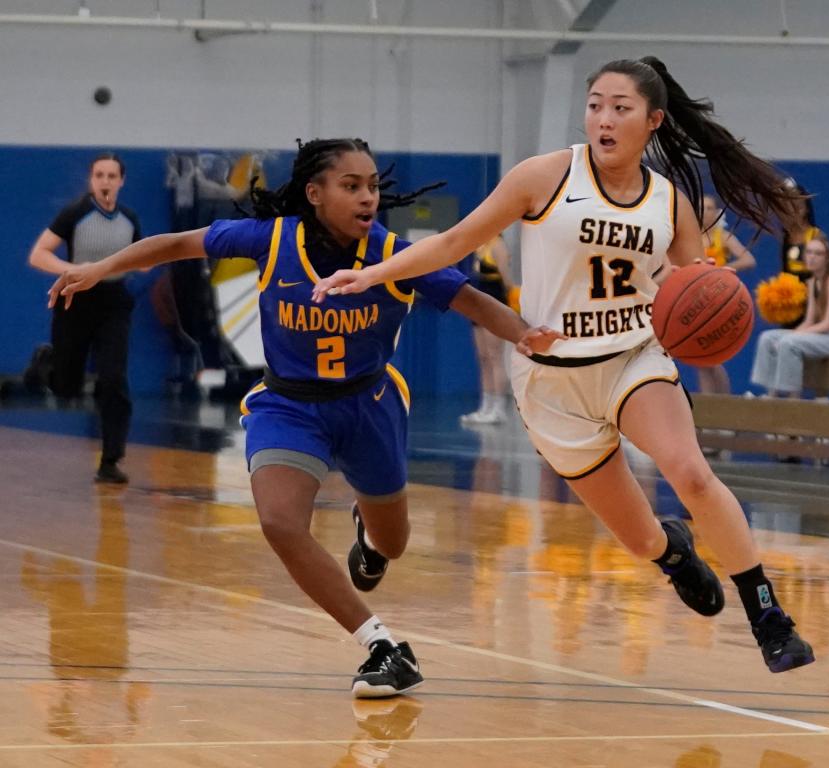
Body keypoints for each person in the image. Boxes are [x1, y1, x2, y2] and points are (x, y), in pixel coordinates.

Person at [313, 58, 816, 673]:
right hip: (551, 378)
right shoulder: (545, 176)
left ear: (653, 121)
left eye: (620, 108)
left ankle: (768, 615)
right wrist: (372, 272)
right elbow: (451, 244)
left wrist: (711, 308)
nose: (604, 118)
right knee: (637, 538)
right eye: (595, 104)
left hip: (635, 358)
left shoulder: (670, 202)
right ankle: (673, 555)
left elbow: (695, 284)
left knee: (689, 473)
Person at [48, 137, 561, 698]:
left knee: (393, 543)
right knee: (279, 522)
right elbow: (174, 244)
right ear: (314, 194)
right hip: (289, 406)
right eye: (351, 186)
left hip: (367, 406)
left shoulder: (394, 255)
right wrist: (100, 267)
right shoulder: (272, 240)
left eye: (371, 186)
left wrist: (526, 335)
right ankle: (383, 647)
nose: (368, 197)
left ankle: (371, 533)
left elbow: (473, 301)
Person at [28, 153, 141, 484]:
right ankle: (46, 361)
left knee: (114, 378)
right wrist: (75, 270)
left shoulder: (130, 219)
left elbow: (141, 256)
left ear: (121, 181)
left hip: (114, 304)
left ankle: (110, 460)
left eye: (111, 176)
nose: (105, 181)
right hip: (76, 301)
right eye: (99, 175)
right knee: (67, 387)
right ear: (92, 180)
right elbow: (38, 255)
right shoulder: (75, 213)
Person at [750, 234, 829, 396]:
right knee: (767, 338)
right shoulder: (812, 282)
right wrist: (791, 335)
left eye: (818, 254)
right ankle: (771, 396)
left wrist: (790, 337)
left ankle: (793, 399)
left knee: (789, 343)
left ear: (828, 258)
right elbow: (809, 321)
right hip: (827, 335)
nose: (812, 257)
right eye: (809, 252)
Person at [698, 194, 755, 396]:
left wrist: (723, 269)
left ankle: (723, 404)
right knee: (701, 359)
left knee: (711, 358)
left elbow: (748, 259)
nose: (706, 212)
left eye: (710, 208)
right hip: (696, 302)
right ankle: (711, 407)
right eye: (702, 208)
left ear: (717, 212)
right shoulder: (691, 238)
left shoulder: (723, 236)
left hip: (718, 300)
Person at [461, 235, 515, 424]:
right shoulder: (481, 245)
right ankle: (485, 406)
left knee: (494, 357)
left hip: (494, 302)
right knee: (483, 357)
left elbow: (506, 281)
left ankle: (499, 408)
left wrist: (513, 303)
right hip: (478, 305)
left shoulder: (498, 245)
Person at [780, 182, 822, 283]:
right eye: (788, 205)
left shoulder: (816, 235)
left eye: (798, 206)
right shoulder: (786, 236)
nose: (793, 207)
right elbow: (784, 271)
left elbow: (821, 272)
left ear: (806, 207)